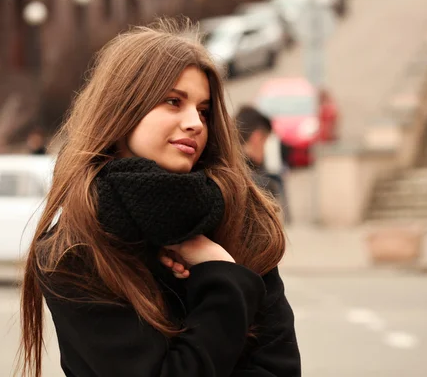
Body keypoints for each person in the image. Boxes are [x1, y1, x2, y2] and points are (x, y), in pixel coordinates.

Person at [17, 19, 301, 377]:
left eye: (203, 110)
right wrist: (225, 280)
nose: (195, 123)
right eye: (172, 102)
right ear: (121, 111)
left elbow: (280, 368)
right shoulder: (74, 251)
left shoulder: (241, 216)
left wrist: (214, 262)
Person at [235, 105, 291, 223]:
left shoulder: (221, 166)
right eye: (265, 142)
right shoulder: (261, 186)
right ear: (257, 137)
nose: (265, 150)